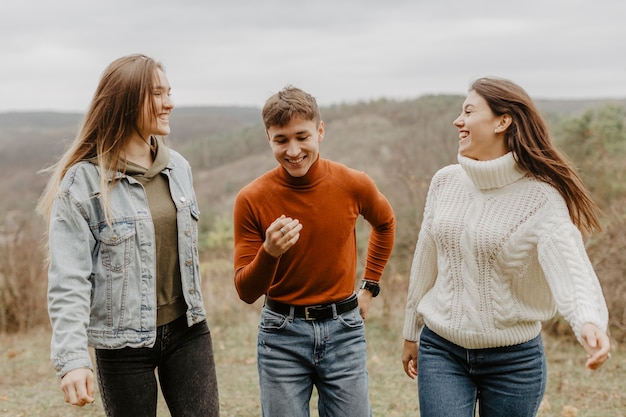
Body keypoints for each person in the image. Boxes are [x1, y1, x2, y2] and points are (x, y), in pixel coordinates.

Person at [401, 76, 611, 417]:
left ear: (502, 121)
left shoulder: (541, 197)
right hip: (442, 350)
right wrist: (411, 330)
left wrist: (588, 321)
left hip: (514, 363)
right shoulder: (445, 181)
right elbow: (426, 258)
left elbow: (570, 266)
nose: (458, 120)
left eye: (468, 111)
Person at [36, 54, 220, 417]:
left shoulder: (178, 168)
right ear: (126, 100)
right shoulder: (83, 183)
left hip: (188, 331)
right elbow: (69, 279)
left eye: (169, 92)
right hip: (122, 346)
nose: (169, 102)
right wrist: (73, 358)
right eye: (157, 93)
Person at [233, 85, 396, 416]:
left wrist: (370, 286)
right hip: (281, 336)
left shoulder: (353, 184)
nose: (293, 150)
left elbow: (385, 223)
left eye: (301, 136)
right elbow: (246, 291)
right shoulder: (251, 199)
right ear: (269, 139)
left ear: (320, 131)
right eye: (281, 140)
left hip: (344, 331)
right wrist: (270, 252)